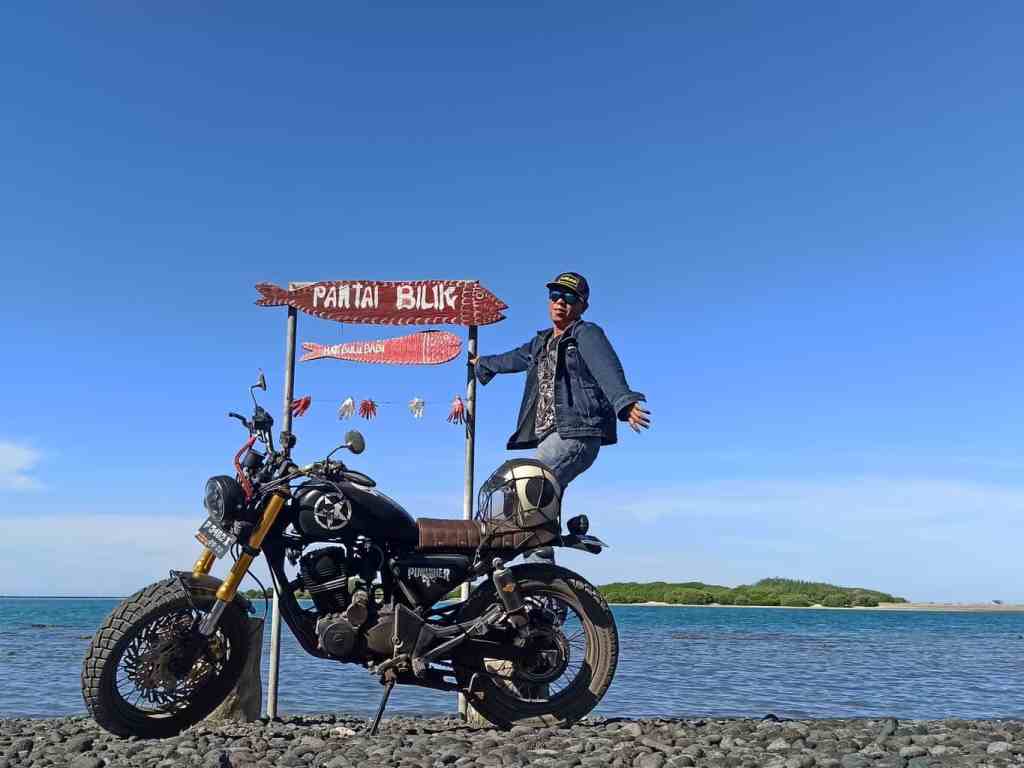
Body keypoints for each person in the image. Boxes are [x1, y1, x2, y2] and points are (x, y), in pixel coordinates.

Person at [471, 272, 650, 561]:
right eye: (555, 296)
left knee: (522, 487)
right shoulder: (541, 342)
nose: (560, 303)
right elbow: (514, 358)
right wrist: (483, 364)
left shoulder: (585, 333)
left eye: (569, 298)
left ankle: (515, 569)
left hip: (575, 433)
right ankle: (540, 589)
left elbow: (606, 367)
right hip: (549, 436)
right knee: (539, 510)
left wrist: (624, 402)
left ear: (582, 306)